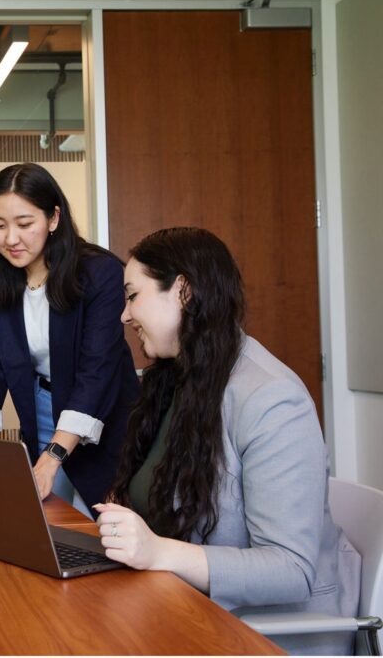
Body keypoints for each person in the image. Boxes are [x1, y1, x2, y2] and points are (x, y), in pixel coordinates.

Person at [96, 227, 360, 655]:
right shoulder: (176, 382)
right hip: (185, 609)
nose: (125, 316)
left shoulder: (272, 399)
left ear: (182, 291)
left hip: (263, 635)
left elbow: (290, 569)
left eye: (133, 296)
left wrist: (157, 551)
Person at [0, 163, 139, 511]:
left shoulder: (99, 273)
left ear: (53, 218)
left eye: (25, 224)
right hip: (41, 408)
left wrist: (54, 454)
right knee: (49, 518)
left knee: (103, 518)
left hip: (102, 415)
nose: (10, 239)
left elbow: (97, 372)